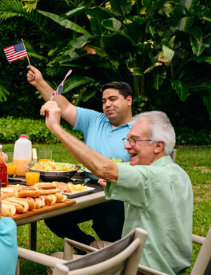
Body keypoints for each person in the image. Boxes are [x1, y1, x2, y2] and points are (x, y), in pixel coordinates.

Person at [41, 102, 193, 275]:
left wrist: (55, 127)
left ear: (158, 146)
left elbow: (103, 168)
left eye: (135, 140)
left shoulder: (149, 177)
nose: (126, 146)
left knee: (55, 261)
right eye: (127, 139)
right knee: (96, 246)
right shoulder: (177, 173)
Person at [27, 65, 134, 248]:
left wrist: (123, 169)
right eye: (104, 100)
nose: (107, 104)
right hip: (87, 187)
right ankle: (90, 248)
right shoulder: (95, 120)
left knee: (106, 221)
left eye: (113, 99)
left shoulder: (140, 129)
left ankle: (118, 262)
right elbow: (64, 106)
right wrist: (39, 83)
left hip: (118, 192)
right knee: (53, 213)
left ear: (129, 100)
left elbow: (147, 166)